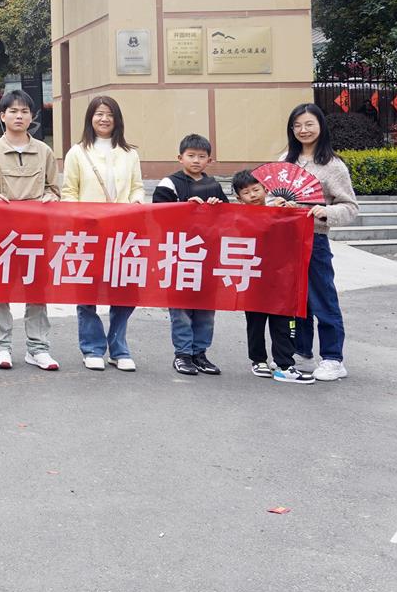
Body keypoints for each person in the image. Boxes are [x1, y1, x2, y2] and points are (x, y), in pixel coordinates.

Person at [0, 89, 61, 371]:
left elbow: (54, 188)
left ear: (32, 116)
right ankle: (1, 347)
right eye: (13, 111)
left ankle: (38, 348)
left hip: (36, 233)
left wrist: (50, 197)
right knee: (0, 289)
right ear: (2, 116)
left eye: (24, 111)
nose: (19, 116)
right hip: (2, 234)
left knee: (36, 289)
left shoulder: (44, 152)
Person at [59, 95, 146, 372]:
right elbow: (69, 192)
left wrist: (136, 202)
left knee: (124, 292)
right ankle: (92, 348)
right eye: (99, 114)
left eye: (109, 114)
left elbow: (137, 187)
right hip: (88, 233)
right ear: (90, 118)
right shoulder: (77, 152)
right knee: (87, 292)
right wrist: (82, 216)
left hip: (123, 233)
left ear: (117, 119)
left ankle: (118, 348)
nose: (104, 119)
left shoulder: (130, 154)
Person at [280, 102, 358, 381]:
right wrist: (276, 203)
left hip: (315, 239)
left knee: (323, 298)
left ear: (321, 126)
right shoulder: (285, 161)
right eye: (297, 125)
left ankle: (333, 358)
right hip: (286, 241)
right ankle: (302, 352)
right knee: (296, 300)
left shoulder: (333, 166)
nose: (303, 130)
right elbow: (270, 194)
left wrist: (325, 212)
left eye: (309, 124)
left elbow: (350, 207)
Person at [153, 133, 228, 376]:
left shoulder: (214, 185)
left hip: (208, 256)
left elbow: (228, 218)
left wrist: (218, 207)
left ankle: (200, 354)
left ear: (210, 160)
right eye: (191, 155)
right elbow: (158, 215)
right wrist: (184, 206)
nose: (196, 160)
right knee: (181, 309)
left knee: (206, 309)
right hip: (179, 255)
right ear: (180, 157)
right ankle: (183, 354)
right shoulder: (169, 183)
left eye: (202, 156)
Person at [231, 169, 314, 384]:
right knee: (255, 321)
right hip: (253, 275)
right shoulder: (239, 215)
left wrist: (292, 212)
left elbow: (296, 234)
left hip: (281, 276)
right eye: (246, 193)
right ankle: (258, 360)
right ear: (239, 198)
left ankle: (284, 365)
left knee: (283, 320)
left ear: (266, 189)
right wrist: (271, 212)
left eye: (256, 189)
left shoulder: (282, 208)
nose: (252, 195)